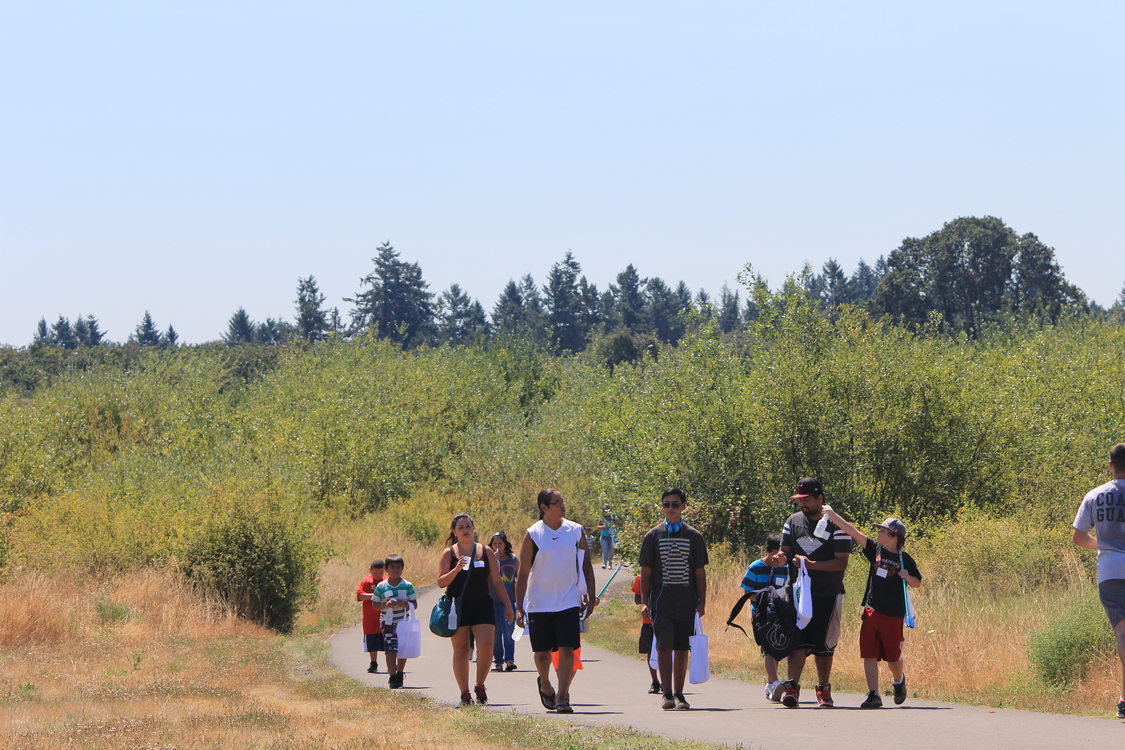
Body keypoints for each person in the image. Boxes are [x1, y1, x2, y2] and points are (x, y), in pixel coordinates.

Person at [822, 508, 922, 708]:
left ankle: (898, 680)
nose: (878, 533)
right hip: (871, 610)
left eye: (882, 531)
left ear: (894, 536)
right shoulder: (875, 550)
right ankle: (873, 694)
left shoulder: (905, 559)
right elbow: (853, 532)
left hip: (893, 614)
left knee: (893, 657)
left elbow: (917, 582)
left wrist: (906, 576)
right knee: (869, 654)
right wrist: (833, 516)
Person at [514, 488, 598, 714]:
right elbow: (523, 574)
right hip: (540, 601)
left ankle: (562, 696)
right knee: (541, 653)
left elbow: (586, 565)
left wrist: (590, 595)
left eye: (563, 500)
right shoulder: (533, 534)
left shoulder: (575, 531)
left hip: (568, 599)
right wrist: (519, 608)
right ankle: (545, 683)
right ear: (544, 508)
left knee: (567, 648)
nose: (563, 505)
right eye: (557, 502)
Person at [779, 477, 851, 708]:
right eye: (800, 500)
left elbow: (840, 563)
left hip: (828, 592)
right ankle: (792, 689)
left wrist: (810, 564)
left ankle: (823, 689)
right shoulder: (793, 521)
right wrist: (779, 559)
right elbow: (785, 552)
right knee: (797, 641)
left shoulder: (837, 524)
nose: (803, 504)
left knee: (824, 644)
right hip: (800, 593)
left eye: (807, 499)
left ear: (820, 498)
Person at [639, 488, 709, 711]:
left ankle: (680, 694)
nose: (671, 508)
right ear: (662, 507)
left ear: (683, 507)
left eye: (675, 504)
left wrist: (702, 601)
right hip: (661, 600)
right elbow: (646, 572)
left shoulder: (694, 536)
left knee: (681, 648)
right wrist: (645, 602)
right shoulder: (653, 536)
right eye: (667, 504)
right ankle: (666, 693)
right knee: (663, 647)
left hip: (686, 600)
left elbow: (699, 572)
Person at [437, 514, 514, 706]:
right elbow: (440, 582)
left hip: (482, 604)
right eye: (461, 527)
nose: (465, 529)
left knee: (486, 648)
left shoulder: (485, 551)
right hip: (458, 606)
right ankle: (464, 692)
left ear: (473, 529)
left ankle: (480, 684)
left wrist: (508, 605)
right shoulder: (449, 553)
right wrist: (456, 569)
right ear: (454, 532)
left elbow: (496, 581)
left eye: (468, 526)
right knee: (461, 651)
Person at [1072, 442, 1125, 720]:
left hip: (1111, 570)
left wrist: (1104, 544)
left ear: (1110, 466)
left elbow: (1079, 537)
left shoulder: (1095, 495)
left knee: (1122, 632)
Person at [739, 533, 790, 702]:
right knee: (769, 647)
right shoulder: (755, 567)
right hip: (761, 614)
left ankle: (770, 683)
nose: (778, 557)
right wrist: (767, 598)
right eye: (776, 552)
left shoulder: (786, 567)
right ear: (769, 550)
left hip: (781, 614)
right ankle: (774, 682)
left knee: (778, 647)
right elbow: (748, 593)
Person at [371, 555, 417, 689]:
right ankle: (392, 677)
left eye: (398, 567)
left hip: (403, 622)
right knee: (390, 650)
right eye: (392, 568)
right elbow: (375, 604)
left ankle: (400, 673)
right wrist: (386, 605)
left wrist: (404, 604)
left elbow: (414, 603)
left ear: (402, 569)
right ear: (386, 569)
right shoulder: (381, 586)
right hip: (387, 622)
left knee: (402, 650)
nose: (395, 570)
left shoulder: (408, 586)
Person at [489, 530, 520, 672]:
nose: (497, 546)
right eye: (494, 543)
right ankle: (498, 661)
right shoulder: (487, 559)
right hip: (493, 600)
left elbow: (519, 579)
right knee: (496, 632)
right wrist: (493, 560)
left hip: (509, 600)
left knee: (508, 630)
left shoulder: (513, 559)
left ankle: (510, 659)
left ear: (505, 544)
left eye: (500, 543)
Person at [631, 573, 661, 694]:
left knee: (666, 650)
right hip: (648, 621)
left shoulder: (665, 575)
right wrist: (647, 602)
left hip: (664, 619)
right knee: (650, 652)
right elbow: (637, 599)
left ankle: (666, 681)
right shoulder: (641, 578)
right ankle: (655, 681)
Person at [355, 559, 386, 674]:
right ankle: (373, 662)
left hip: (385, 617)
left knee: (388, 641)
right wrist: (375, 595)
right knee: (372, 640)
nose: (378, 576)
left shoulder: (387, 581)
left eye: (381, 573)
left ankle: (391, 663)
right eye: (375, 573)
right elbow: (360, 595)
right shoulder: (365, 582)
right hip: (370, 618)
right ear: (370, 570)